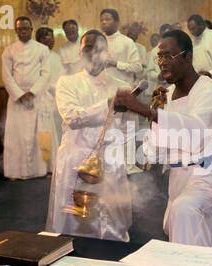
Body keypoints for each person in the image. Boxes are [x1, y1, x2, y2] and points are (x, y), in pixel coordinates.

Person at [114, 30, 212, 252]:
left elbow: (197, 136)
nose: (162, 62)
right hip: (179, 176)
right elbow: (155, 152)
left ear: (188, 57)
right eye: (159, 57)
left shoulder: (208, 90)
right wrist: (156, 114)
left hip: (209, 174)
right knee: (176, 224)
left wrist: (147, 111)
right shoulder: (167, 94)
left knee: (185, 210)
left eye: (168, 56)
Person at [46, 30, 132, 241]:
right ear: (80, 52)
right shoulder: (67, 82)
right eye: (88, 48)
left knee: (111, 215)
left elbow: (121, 125)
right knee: (75, 222)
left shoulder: (117, 84)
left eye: (100, 49)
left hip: (109, 156)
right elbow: (72, 117)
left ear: (107, 53)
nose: (94, 53)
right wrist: (109, 104)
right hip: (76, 157)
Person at [1, 16, 51, 180]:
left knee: (42, 134)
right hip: (17, 99)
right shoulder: (8, 50)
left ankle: (42, 169)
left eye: (26, 28)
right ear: (16, 30)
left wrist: (33, 92)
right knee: (16, 136)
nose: (23, 31)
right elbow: (6, 76)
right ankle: (16, 172)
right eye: (20, 28)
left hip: (37, 97)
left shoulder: (42, 49)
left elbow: (46, 73)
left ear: (31, 30)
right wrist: (20, 95)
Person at [100, 8, 143, 175]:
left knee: (128, 128)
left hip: (125, 90)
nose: (104, 22)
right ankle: (109, 163)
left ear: (116, 22)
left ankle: (129, 164)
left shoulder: (126, 42)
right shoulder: (98, 41)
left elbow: (137, 66)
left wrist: (116, 63)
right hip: (104, 92)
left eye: (108, 19)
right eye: (102, 19)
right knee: (108, 128)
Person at [35, 27, 64, 172]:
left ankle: (53, 164)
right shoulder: (36, 55)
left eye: (52, 37)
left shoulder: (56, 57)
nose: (52, 40)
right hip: (40, 99)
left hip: (55, 98)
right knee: (43, 134)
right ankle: (43, 165)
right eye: (47, 37)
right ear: (40, 39)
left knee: (55, 133)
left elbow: (60, 77)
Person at [146, 24, 173, 96]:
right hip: (159, 89)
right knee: (157, 107)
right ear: (160, 35)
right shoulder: (154, 51)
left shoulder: (180, 49)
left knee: (177, 107)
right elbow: (149, 72)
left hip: (176, 87)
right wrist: (158, 76)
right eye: (164, 35)